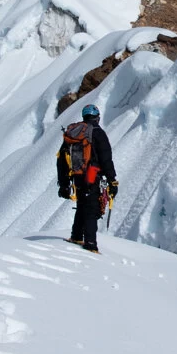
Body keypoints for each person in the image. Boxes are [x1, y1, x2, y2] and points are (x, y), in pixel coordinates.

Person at [57, 104, 118, 253]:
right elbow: (106, 159)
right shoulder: (97, 133)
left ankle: (76, 236)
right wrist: (112, 181)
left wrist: (64, 184)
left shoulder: (74, 134)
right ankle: (90, 243)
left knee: (83, 203)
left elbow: (61, 160)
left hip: (76, 176)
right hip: (92, 175)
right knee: (92, 208)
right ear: (97, 117)